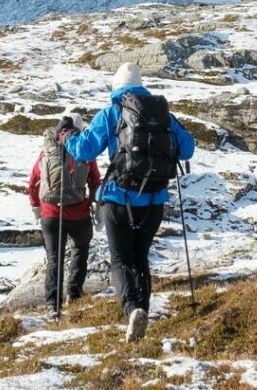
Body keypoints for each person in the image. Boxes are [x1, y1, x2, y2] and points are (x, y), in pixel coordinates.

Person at [63, 62, 195, 342]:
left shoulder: (112, 113)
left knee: (120, 260)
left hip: (118, 200)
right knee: (140, 259)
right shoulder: (163, 116)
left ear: (116, 86)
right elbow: (188, 148)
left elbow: (84, 150)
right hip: (154, 202)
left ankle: (133, 309)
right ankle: (143, 311)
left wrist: (67, 136)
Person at [28, 113, 100, 317]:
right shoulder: (83, 149)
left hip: (50, 213)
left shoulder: (47, 150)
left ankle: (52, 305)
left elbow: (33, 182)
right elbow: (95, 180)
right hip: (78, 213)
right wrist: (96, 203)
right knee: (80, 250)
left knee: (54, 258)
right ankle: (74, 294)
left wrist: (36, 206)